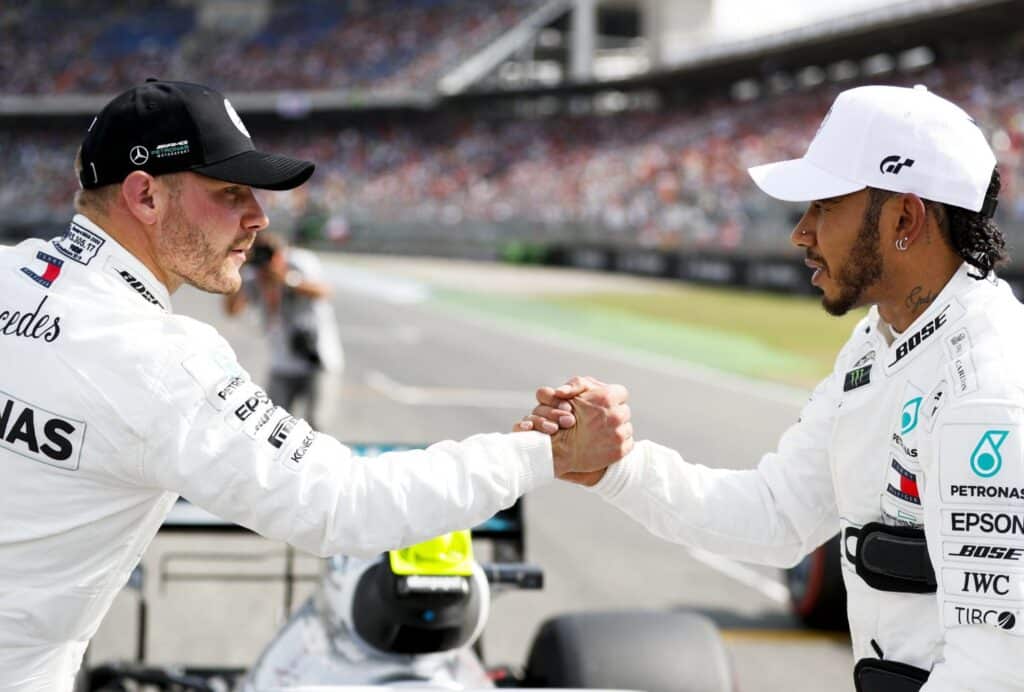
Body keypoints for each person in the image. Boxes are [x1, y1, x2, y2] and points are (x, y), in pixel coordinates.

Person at [0, 79, 634, 692]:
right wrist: (543, 452)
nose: (258, 217)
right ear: (145, 198)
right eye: (230, 193)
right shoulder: (160, 362)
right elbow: (346, 505)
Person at [523, 85, 1024, 691]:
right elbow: (778, 515)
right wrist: (617, 467)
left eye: (825, 207)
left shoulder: (992, 389)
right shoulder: (880, 341)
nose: (801, 233)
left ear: (904, 219)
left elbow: (997, 668)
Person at [225, 230, 343, 430]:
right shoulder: (253, 276)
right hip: (282, 363)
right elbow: (232, 310)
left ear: (281, 254)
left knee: (317, 424)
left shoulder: (299, 264)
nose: (264, 264)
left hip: (317, 360)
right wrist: (238, 271)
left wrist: (285, 278)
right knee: (271, 426)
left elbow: (324, 291)